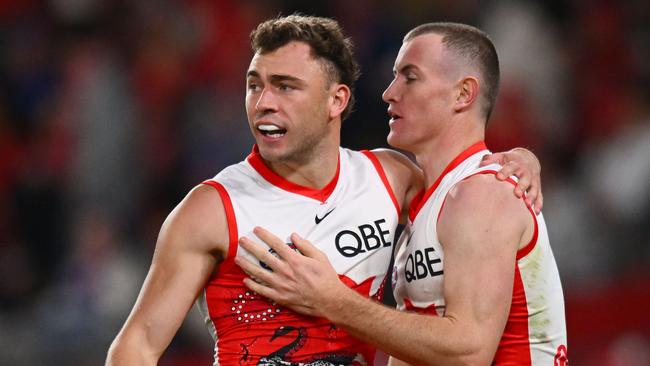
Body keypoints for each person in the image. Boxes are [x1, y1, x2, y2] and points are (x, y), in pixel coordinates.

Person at [106, 16, 543, 365]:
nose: (263, 103)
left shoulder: (390, 177)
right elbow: (137, 346)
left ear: (336, 101)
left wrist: (521, 158)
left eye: (286, 86)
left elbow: (466, 187)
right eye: (254, 84)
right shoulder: (212, 209)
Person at [237, 22, 567, 365]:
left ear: (463, 94)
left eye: (410, 77)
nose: (389, 92)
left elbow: (468, 352)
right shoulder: (429, 197)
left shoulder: (483, 194)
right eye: (395, 76)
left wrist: (333, 301)